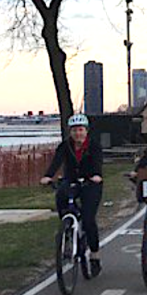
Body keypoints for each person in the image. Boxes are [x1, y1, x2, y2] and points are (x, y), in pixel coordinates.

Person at [40, 113, 104, 279]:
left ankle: (95, 255)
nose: (78, 134)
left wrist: (96, 175)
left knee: (89, 220)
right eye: (75, 131)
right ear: (71, 132)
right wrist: (48, 176)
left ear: (86, 131)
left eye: (81, 130)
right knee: (61, 195)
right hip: (72, 181)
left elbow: (98, 163)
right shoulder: (65, 146)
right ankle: (67, 227)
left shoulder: (94, 146)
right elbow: (56, 161)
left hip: (91, 183)